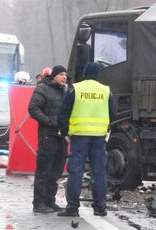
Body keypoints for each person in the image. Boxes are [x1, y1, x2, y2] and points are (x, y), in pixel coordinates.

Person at [57, 62, 116, 217]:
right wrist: (106, 129)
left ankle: (72, 208)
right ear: (98, 75)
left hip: (79, 136)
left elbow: (63, 112)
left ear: (84, 73)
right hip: (99, 137)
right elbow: (113, 114)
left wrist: (65, 132)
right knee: (99, 172)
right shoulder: (106, 91)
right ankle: (100, 208)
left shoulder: (75, 89)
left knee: (75, 172)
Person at [28, 65, 68, 213]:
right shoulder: (43, 89)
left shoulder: (65, 90)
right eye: (61, 74)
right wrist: (48, 121)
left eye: (66, 75)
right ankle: (39, 203)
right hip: (47, 134)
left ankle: (50, 200)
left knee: (57, 170)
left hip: (61, 135)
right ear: (54, 76)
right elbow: (33, 108)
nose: (64, 77)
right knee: (44, 170)